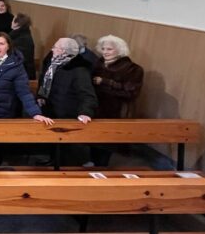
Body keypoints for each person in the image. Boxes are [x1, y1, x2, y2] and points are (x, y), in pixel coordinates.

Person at [0, 33, 54, 166]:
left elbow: (24, 92)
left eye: (1, 44)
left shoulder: (16, 65)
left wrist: (36, 113)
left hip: (4, 112)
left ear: (8, 47)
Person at [89, 35, 144, 166]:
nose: (105, 52)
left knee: (107, 141)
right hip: (96, 106)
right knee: (92, 137)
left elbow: (130, 91)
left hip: (115, 109)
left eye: (109, 49)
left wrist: (106, 82)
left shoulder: (132, 69)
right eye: (103, 49)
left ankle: (102, 165)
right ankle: (93, 161)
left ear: (119, 51)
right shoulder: (98, 64)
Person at [37, 38, 97, 123]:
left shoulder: (79, 70)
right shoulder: (52, 63)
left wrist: (85, 113)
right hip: (48, 111)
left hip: (67, 116)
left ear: (63, 51)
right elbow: (43, 81)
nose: (52, 49)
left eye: (55, 47)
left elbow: (87, 95)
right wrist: (41, 96)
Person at [9, 13, 36, 79]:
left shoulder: (22, 39)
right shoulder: (21, 35)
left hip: (22, 75)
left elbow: (16, 59)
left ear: (17, 23)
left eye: (12, 20)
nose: (11, 22)